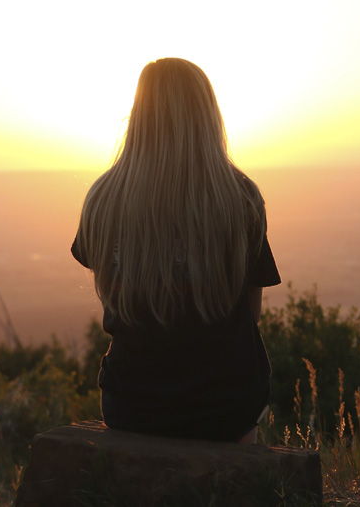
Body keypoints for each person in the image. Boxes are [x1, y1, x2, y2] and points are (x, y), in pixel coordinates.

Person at [71, 57, 281, 444]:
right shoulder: (242, 199)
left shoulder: (102, 198)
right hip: (225, 406)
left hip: (131, 403)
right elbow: (251, 315)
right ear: (208, 116)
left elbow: (111, 296)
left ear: (138, 115)